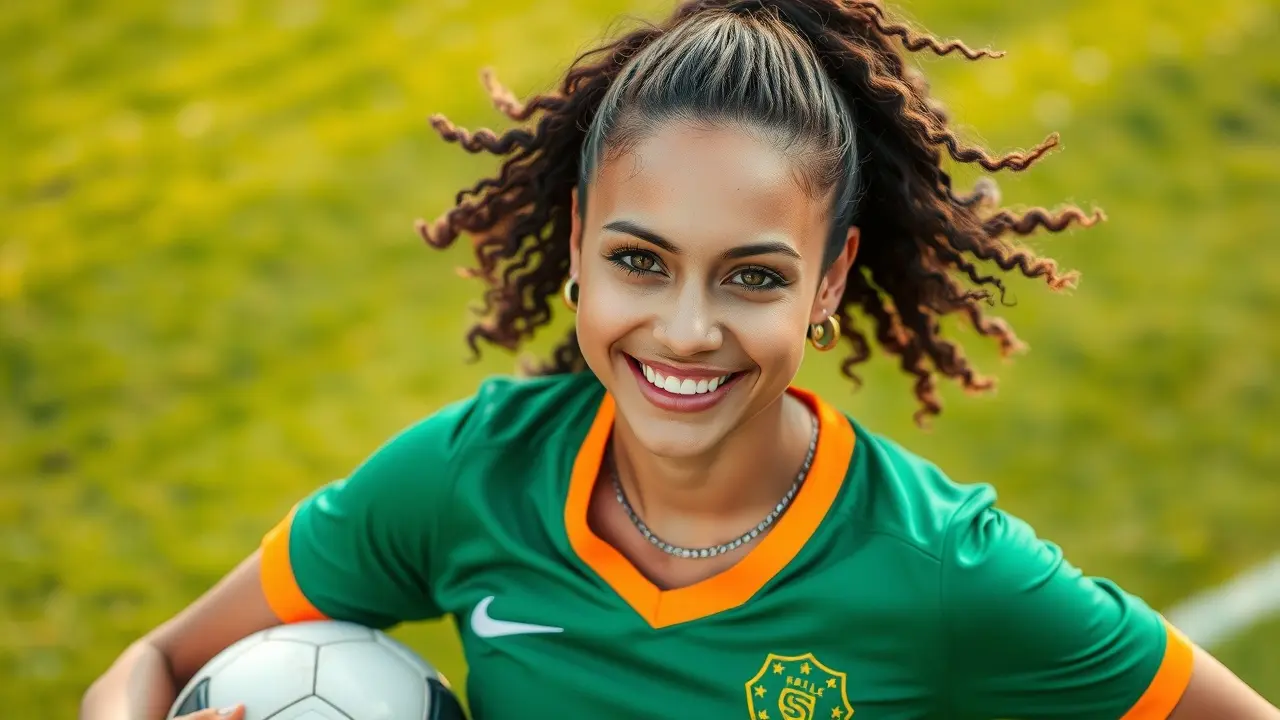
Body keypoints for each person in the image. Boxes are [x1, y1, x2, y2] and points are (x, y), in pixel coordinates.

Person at [82, 1, 1279, 719]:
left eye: (751, 276)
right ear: (575, 250)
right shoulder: (467, 482)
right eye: (640, 262)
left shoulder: (936, 572)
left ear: (827, 280)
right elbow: (160, 662)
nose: (686, 331)